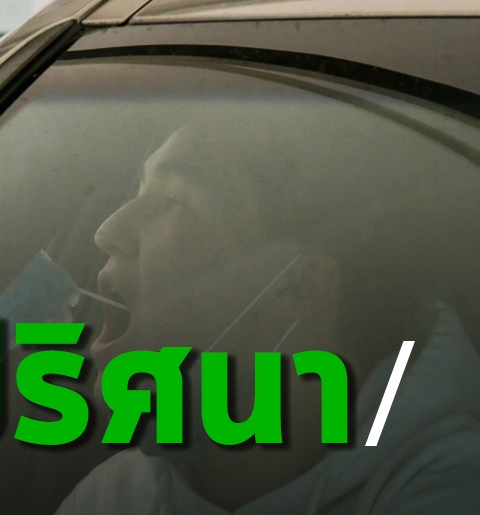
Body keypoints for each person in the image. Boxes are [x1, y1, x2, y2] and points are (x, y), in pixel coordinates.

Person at [56, 104, 480, 514]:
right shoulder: (112, 495)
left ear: (297, 287)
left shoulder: (453, 494)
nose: (107, 231)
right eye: (137, 192)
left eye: (173, 201)